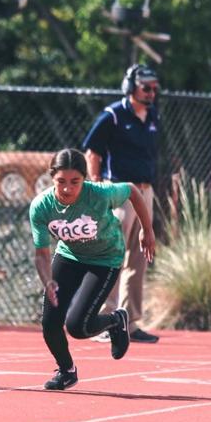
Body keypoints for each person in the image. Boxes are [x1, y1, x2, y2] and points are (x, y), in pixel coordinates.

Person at [29, 148, 155, 390]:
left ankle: (116, 320)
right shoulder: (41, 207)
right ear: (51, 178)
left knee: (78, 327)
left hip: (105, 259)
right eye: (61, 182)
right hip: (69, 255)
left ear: (84, 179)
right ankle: (66, 371)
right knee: (50, 322)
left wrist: (146, 229)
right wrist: (47, 281)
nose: (67, 189)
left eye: (75, 182)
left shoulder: (99, 194)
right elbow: (41, 255)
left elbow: (132, 190)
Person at [81, 64, 161, 344]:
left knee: (140, 257)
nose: (152, 93)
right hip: (119, 192)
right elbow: (92, 151)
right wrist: (97, 184)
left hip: (145, 191)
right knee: (112, 254)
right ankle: (103, 318)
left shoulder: (152, 115)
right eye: (146, 88)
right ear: (130, 87)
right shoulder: (113, 115)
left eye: (154, 88)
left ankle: (129, 322)